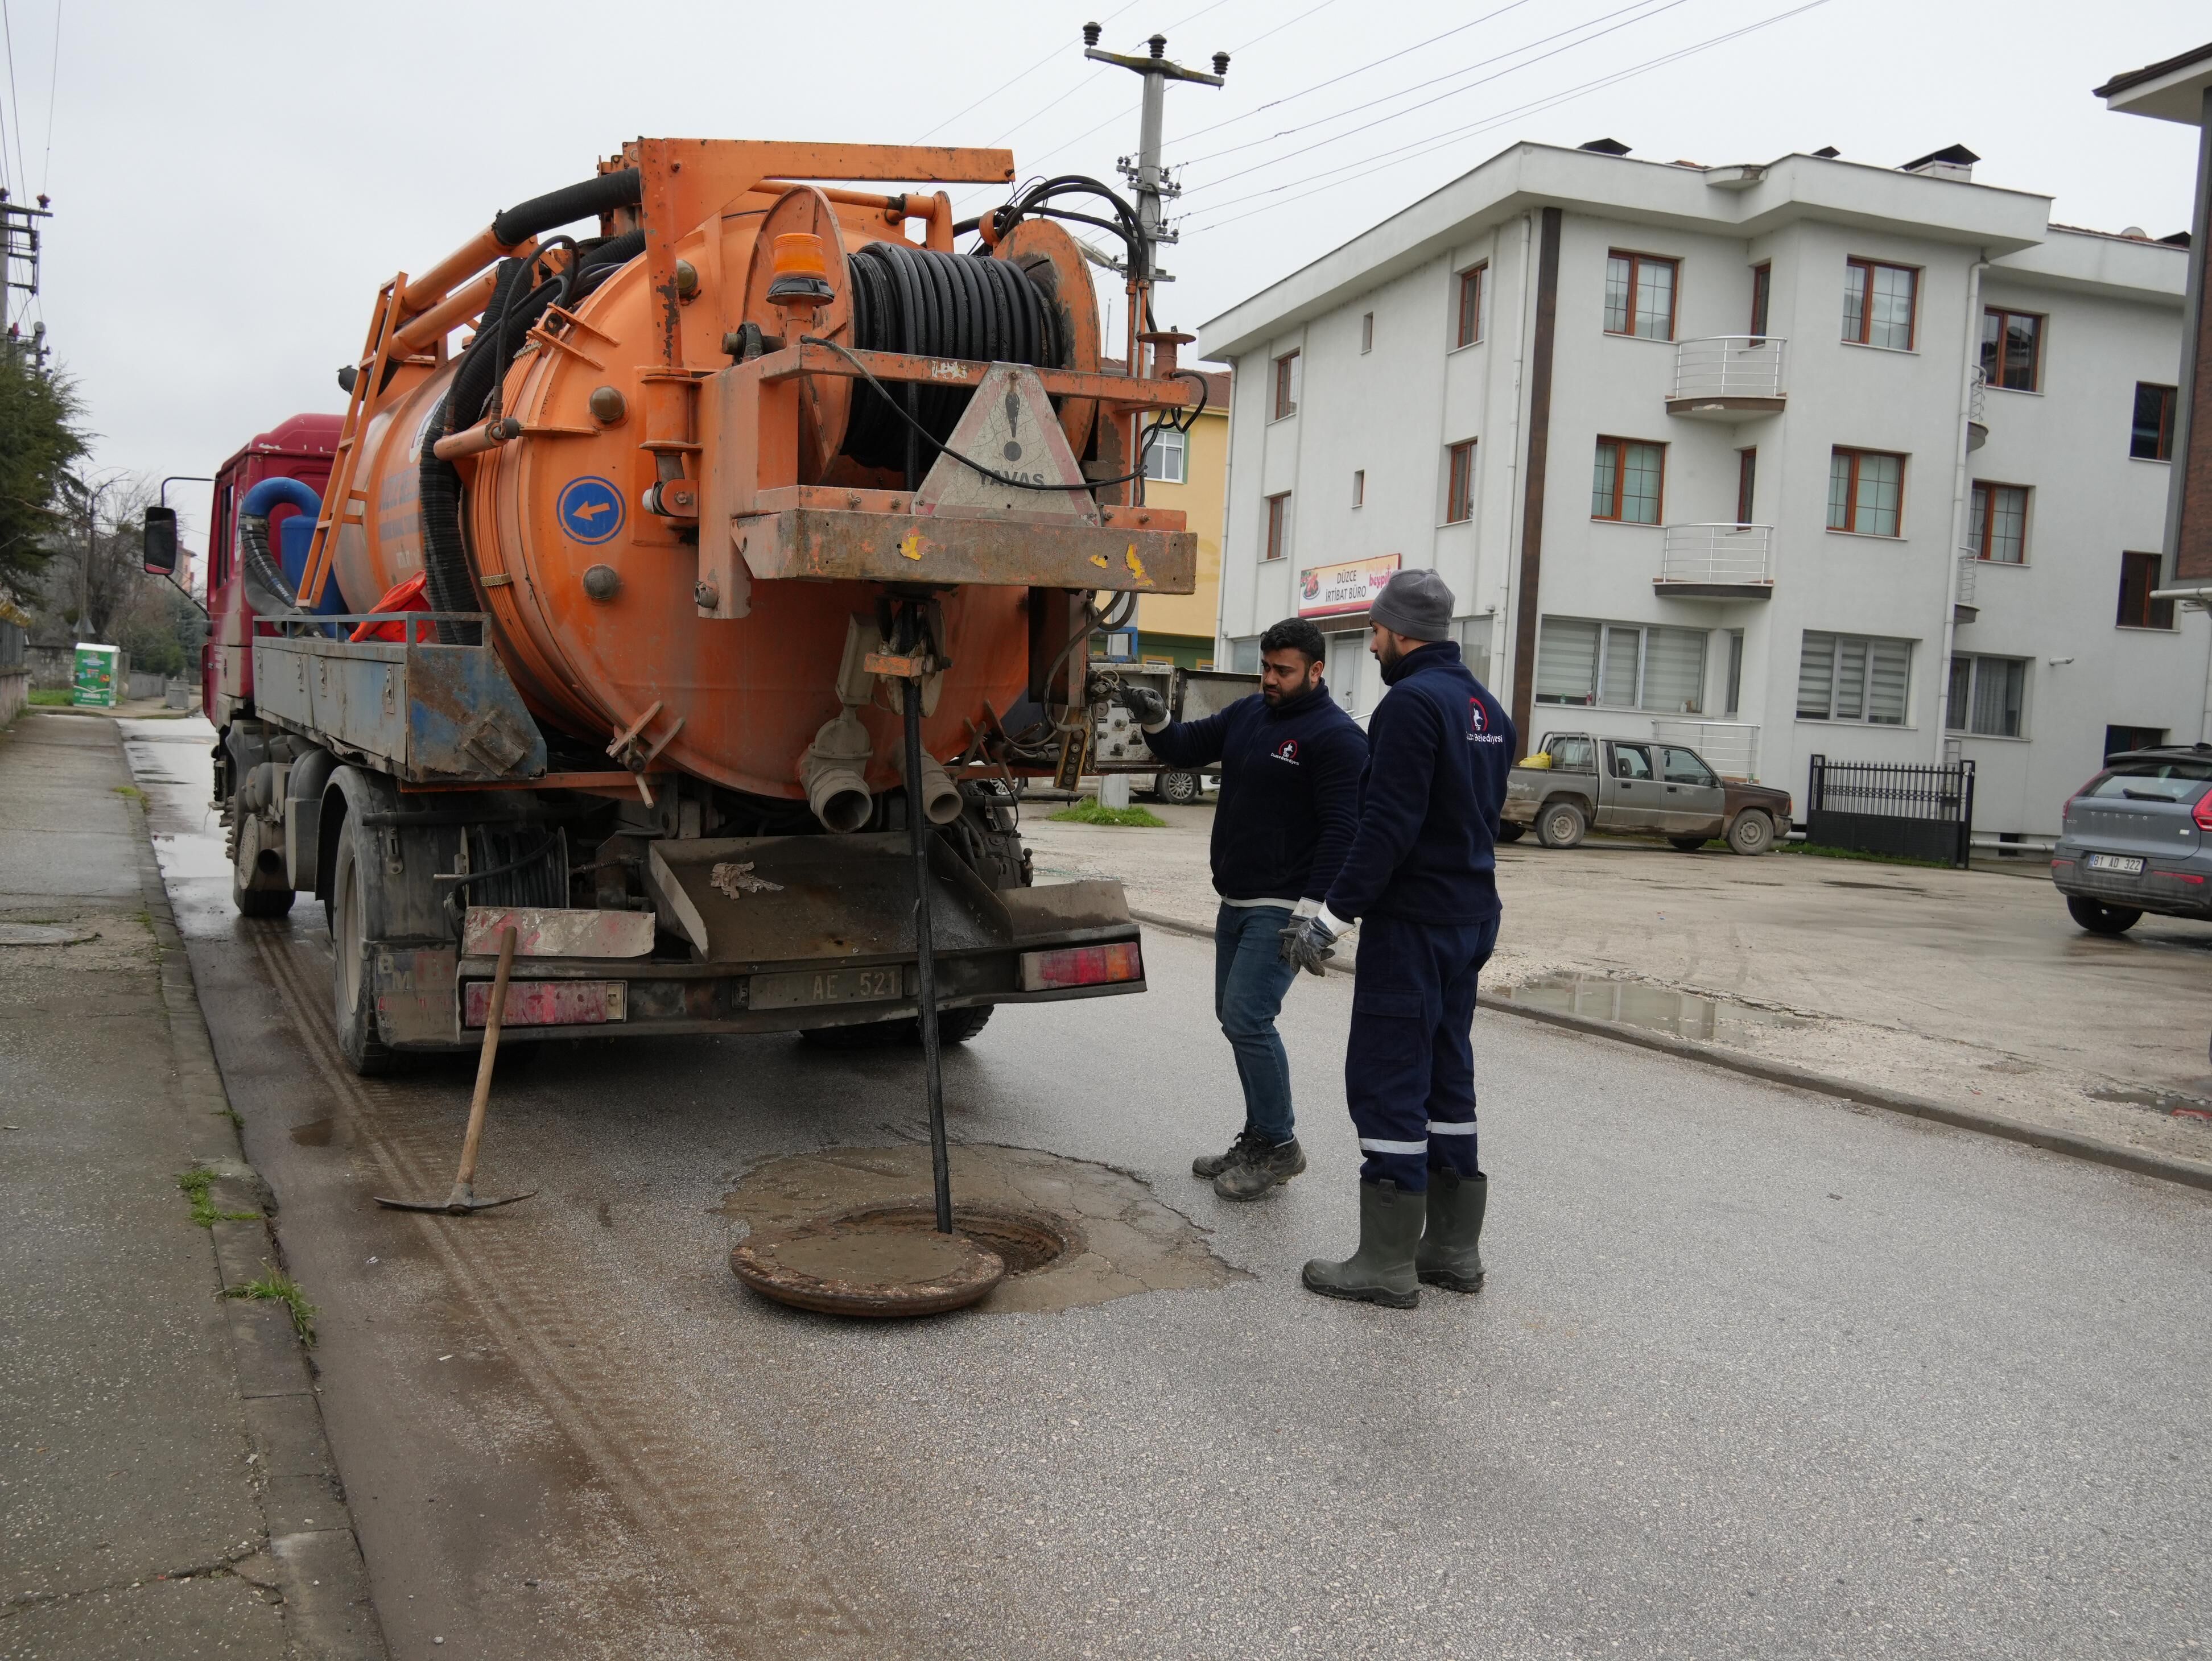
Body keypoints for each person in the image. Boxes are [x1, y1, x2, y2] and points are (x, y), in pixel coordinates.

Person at [1277, 568, 1514, 1308]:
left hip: (1414, 925)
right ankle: (1451, 1250)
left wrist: (1329, 917)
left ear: (1400, 631)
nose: (1372, 643)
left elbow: (1388, 825)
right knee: (1448, 1077)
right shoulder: (1486, 706)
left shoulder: (1410, 705)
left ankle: (1384, 1264)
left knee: (1388, 1079)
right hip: (1470, 915)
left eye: (1376, 631)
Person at [1119, 618, 1367, 1200]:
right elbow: (1184, 747)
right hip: (1235, 897)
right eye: (1266, 667)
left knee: (1249, 1017)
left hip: (1282, 905)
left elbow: (1342, 829)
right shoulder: (1249, 715)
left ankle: (1280, 1147)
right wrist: (1154, 717)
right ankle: (1259, 1136)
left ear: (1316, 669)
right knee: (1236, 1019)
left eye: (1283, 670)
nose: (1271, 679)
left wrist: (1316, 914)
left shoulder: (1336, 737)